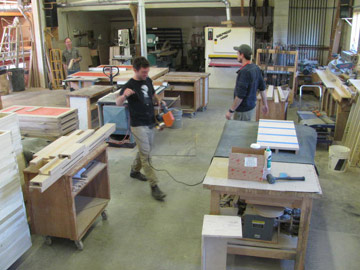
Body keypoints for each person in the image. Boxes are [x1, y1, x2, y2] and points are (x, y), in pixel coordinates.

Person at [116, 57, 166, 201]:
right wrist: (124, 95)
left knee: (145, 150)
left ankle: (134, 170)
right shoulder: (129, 85)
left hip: (150, 121)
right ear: (135, 69)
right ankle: (154, 186)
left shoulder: (148, 80)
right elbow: (118, 102)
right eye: (143, 72)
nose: (145, 74)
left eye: (147, 72)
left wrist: (158, 99)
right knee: (146, 156)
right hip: (138, 125)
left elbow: (152, 93)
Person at [225, 44, 269, 121]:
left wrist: (231, 111)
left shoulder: (244, 72)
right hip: (250, 107)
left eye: (238, 53)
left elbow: (240, 96)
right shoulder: (255, 68)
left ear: (242, 55)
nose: (237, 56)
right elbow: (262, 88)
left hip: (242, 111)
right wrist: (265, 104)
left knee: (240, 131)